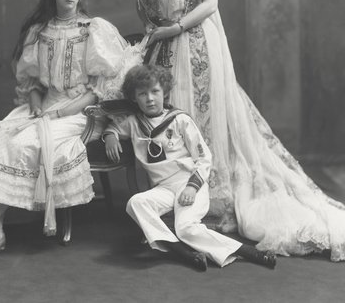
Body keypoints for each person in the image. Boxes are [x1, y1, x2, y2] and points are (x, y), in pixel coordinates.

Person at [133, 0, 345, 261]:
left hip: (195, 43)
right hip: (159, 45)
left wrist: (173, 28)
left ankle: (208, 204)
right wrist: (152, 33)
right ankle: (170, 204)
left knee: (196, 118)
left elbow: (210, 3)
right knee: (164, 122)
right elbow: (145, 3)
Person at [0, 0, 142, 262]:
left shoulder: (92, 29)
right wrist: (35, 107)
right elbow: (33, 84)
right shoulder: (39, 32)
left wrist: (56, 114)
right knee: (6, 132)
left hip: (82, 113)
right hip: (44, 106)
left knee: (26, 142)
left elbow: (97, 91)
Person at [104, 64, 276, 271]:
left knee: (185, 228)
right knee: (136, 203)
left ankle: (250, 252)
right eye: (142, 93)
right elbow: (114, 127)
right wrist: (110, 136)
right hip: (164, 189)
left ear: (165, 92)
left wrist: (192, 187)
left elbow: (204, 158)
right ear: (134, 98)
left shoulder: (180, 120)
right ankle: (181, 252)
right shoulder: (133, 122)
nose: (149, 98)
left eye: (155, 91)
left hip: (188, 183)